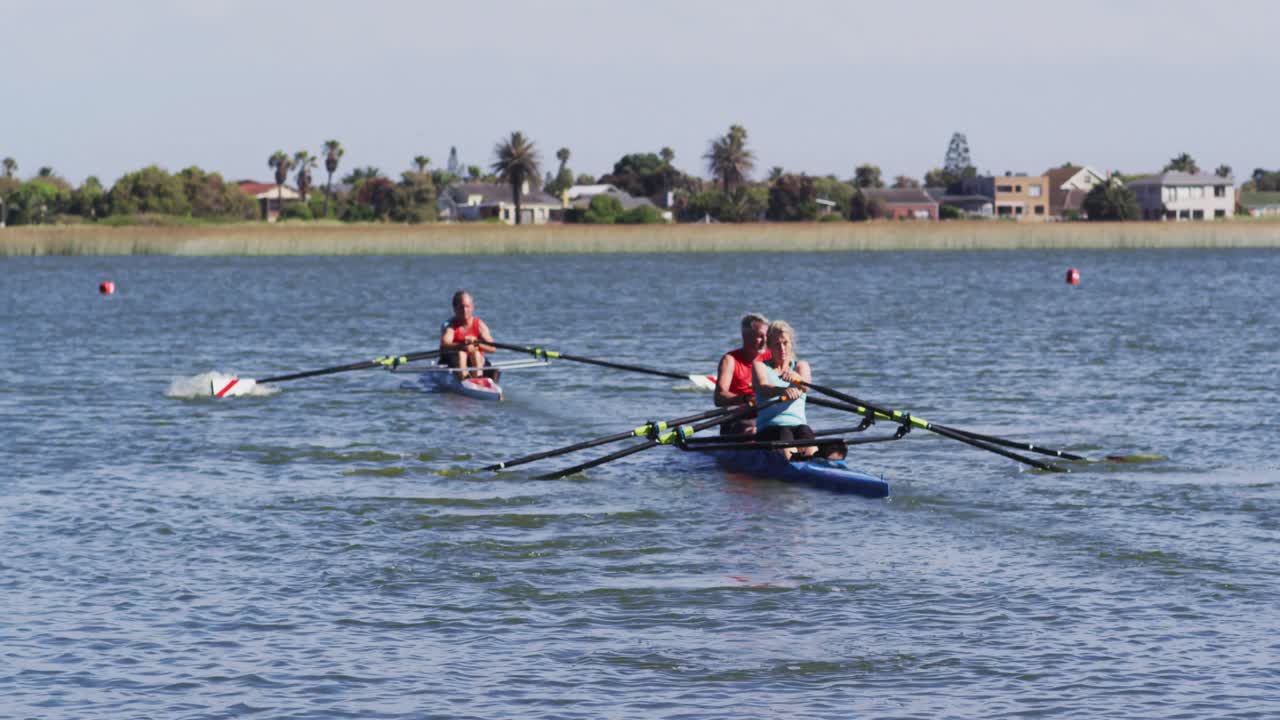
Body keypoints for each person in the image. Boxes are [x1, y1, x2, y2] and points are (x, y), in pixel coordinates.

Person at [752, 320, 846, 461]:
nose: (782, 349)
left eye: (785, 343)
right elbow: (763, 387)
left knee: (815, 438)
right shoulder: (760, 366)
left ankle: (819, 459)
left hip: (799, 427)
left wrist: (796, 378)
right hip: (770, 429)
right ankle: (794, 459)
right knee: (785, 434)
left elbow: (806, 386)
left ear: (791, 344)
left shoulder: (801, 366)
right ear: (769, 346)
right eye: (777, 344)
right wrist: (782, 391)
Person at [714, 313, 770, 436]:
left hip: (764, 413)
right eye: (760, 336)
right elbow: (719, 397)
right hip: (738, 416)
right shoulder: (730, 360)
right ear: (746, 337)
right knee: (754, 432)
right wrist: (745, 399)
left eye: (767, 336)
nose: (765, 341)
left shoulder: (771, 358)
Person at [439, 290, 497, 379]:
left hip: (475, 360)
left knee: (476, 353)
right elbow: (444, 346)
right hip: (455, 361)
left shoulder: (479, 324)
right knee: (462, 353)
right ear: (455, 308)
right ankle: (464, 378)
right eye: (461, 307)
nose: (465, 310)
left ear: (472, 307)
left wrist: (476, 343)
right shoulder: (450, 326)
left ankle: (478, 379)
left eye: (467, 306)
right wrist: (462, 346)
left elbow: (493, 348)